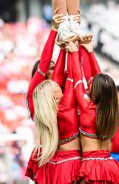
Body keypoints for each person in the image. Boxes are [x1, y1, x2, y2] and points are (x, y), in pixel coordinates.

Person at [67, 41, 119, 184]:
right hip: (110, 166)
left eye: (92, 84)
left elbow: (77, 79)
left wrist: (75, 53)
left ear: (96, 91)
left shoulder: (87, 109)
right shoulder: (113, 113)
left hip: (91, 166)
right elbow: (102, 82)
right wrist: (89, 51)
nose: (89, 83)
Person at [32, 49, 81, 184]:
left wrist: (63, 50)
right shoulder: (65, 109)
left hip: (51, 163)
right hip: (70, 164)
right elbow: (74, 78)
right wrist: (74, 52)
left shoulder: (42, 109)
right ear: (54, 94)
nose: (57, 83)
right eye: (56, 86)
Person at [25, 9, 64, 180]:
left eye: (54, 68)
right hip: (47, 157)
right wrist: (55, 30)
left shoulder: (61, 94)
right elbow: (45, 60)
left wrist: (66, 46)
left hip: (67, 157)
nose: (52, 71)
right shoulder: (34, 97)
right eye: (48, 69)